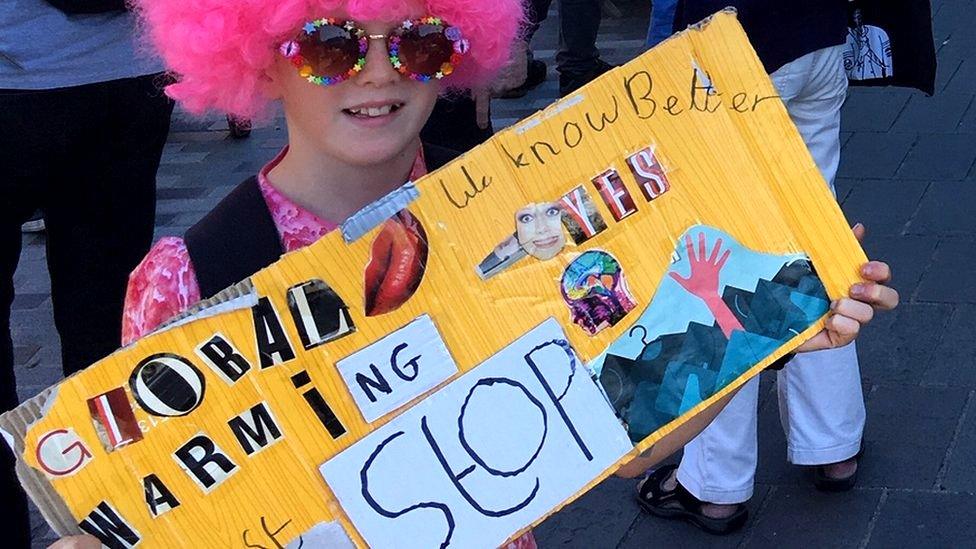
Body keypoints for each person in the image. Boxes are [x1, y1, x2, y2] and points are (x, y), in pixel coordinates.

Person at [49, 0, 897, 546]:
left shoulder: (509, 221)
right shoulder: (187, 278)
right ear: (260, 58)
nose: (377, 72)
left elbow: (624, 444)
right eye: (329, 46)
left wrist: (763, 327)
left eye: (417, 43)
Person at [636, 0, 879, 534]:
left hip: (726, 40)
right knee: (816, 230)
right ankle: (833, 444)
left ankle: (715, 484)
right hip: (817, 33)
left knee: (718, 250)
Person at [1, 2, 173, 546]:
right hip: (125, 69)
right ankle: (113, 520)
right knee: (105, 332)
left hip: (22, 64)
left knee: (106, 334)